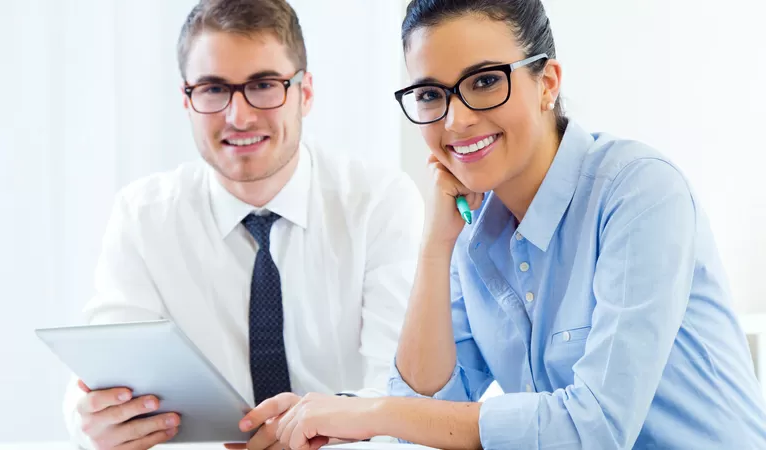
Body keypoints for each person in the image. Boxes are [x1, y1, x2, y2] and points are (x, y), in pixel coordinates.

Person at [270, 0, 766, 449]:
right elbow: (426, 408)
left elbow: (594, 428)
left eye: (484, 81)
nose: (456, 120)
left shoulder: (640, 193)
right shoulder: (473, 231)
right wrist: (435, 245)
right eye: (429, 94)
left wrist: (374, 414)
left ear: (547, 82)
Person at [61, 0, 424, 449]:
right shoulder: (143, 216)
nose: (239, 116)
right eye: (213, 89)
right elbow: (103, 375)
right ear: (187, 100)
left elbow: (402, 396)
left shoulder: (379, 203)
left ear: (305, 92)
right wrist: (93, 424)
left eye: (264, 85)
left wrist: (317, 432)